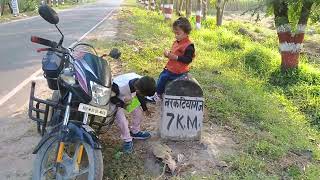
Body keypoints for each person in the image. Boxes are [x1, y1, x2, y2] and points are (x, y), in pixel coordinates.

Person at [151, 17, 195, 101]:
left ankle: (158, 95)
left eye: (178, 34)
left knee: (163, 77)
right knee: (161, 76)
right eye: (174, 33)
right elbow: (173, 54)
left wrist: (176, 57)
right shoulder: (176, 42)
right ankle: (158, 91)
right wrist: (168, 54)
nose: (175, 36)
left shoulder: (189, 46)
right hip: (171, 68)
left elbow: (188, 60)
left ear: (186, 33)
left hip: (179, 72)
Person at [110, 73, 156, 153]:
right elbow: (111, 98)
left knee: (138, 112)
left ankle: (135, 131)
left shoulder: (141, 81)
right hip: (115, 98)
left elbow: (140, 96)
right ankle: (127, 140)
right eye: (143, 94)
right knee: (122, 121)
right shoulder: (118, 86)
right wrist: (122, 105)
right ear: (138, 90)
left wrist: (145, 109)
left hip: (128, 96)